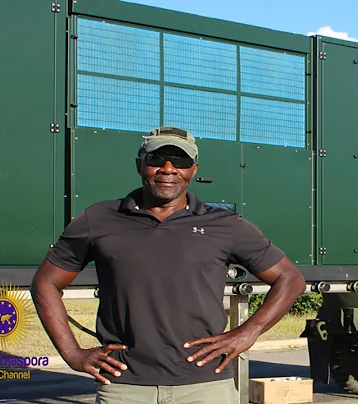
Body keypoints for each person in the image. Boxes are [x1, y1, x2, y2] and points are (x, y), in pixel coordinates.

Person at [31, 126, 306, 403]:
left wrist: (248, 333)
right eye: (156, 159)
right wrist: (73, 354)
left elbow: (290, 279)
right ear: (139, 165)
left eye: (181, 161)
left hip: (206, 386)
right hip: (125, 388)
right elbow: (46, 283)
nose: (168, 169)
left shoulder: (224, 225)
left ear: (193, 169)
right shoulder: (99, 219)